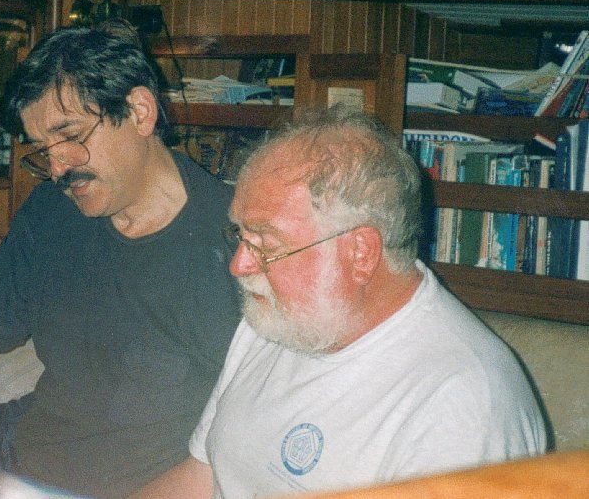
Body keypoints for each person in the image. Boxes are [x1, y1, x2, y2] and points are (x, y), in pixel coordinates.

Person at [0, 20, 241, 498]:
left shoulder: (234, 244)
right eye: (43, 150)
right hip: (18, 466)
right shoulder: (52, 212)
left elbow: (234, 446)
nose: (59, 168)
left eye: (69, 135)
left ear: (140, 111)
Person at [132, 105, 547, 499]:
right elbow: (202, 475)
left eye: (265, 243)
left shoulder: (464, 408)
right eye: (240, 235)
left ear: (360, 253)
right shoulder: (275, 319)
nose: (240, 265)